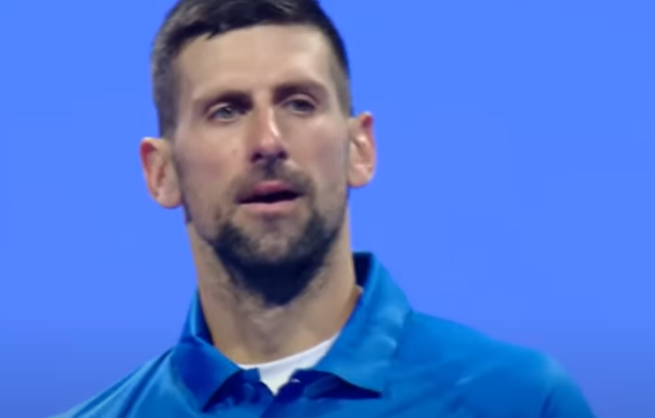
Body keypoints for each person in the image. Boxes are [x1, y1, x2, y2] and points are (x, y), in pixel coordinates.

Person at [51, 0, 597, 416]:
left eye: (299, 103)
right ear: (161, 172)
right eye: (226, 111)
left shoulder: (519, 401)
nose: (268, 141)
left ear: (360, 149)